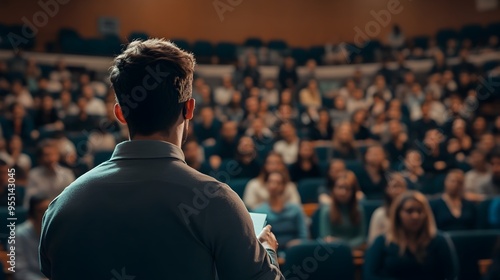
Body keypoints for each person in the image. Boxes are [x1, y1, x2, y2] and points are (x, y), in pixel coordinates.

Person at [39, 39, 284, 280]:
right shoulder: (217, 201)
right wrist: (268, 252)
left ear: (120, 113)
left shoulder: (61, 207)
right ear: (189, 109)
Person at [364, 191, 457, 280]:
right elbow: (370, 276)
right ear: (398, 214)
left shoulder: (439, 241)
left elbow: (451, 276)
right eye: (409, 211)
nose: (415, 216)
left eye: (420, 211)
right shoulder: (382, 242)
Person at [254, 171, 308, 253]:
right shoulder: (259, 211)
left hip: (293, 251)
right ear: (266, 185)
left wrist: (297, 243)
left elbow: (304, 236)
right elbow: (257, 241)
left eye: (278, 183)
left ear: (283, 186)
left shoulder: (295, 209)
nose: (274, 186)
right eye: (270, 182)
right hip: (269, 254)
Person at [318, 171, 365, 248]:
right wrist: (342, 246)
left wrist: (344, 246)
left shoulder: (359, 210)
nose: (343, 192)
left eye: (347, 188)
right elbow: (326, 237)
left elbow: (361, 237)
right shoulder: (326, 210)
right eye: (339, 187)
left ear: (353, 191)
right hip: (331, 252)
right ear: (333, 189)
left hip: (353, 251)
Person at [26, 140, 74, 206]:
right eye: (46, 155)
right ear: (40, 158)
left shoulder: (67, 174)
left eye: (53, 154)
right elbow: (30, 200)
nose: (50, 158)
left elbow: (72, 197)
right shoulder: (33, 175)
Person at [14, 194, 51, 280]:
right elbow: (20, 272)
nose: (45, 215)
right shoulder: (19, 235)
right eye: (40, 211)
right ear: (32, 214)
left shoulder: (55, 232)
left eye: (48, 210)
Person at [367, 173, 408, 244]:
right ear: (387, 190)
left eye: (401, 186)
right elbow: (372, 242)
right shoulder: (379, 214)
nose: (399, 190)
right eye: (395, 186)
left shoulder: (411, 214)